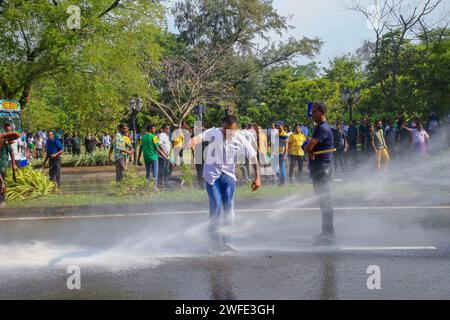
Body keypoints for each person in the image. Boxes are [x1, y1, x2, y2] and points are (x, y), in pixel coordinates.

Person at [191, 115, 261, 253]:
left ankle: (228, 241)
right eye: (227, 130)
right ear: (222, 125)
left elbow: (253, 156)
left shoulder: (240, 138)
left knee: (229, 209)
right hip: (212, 177)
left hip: (228, 176)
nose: (229, 133)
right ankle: (214, 242)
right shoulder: (213, 132)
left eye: (233, 130)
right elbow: (196, 139)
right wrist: (192, 144)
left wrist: (258, 177)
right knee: (216, 205)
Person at [303, 102, 335, 246]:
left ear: (321, 112)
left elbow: (309, 145)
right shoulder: (320, 127)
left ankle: (329, 234)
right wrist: (308, 147)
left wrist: (307, 147)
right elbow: (309, 146)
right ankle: (326, 232)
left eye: (315, 112)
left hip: (323, 169)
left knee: (326, 201)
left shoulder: (323, 128)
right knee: (323, 202)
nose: (312, 115)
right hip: (320, 168)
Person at [0, 131, 21, 208]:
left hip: (3, 162)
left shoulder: (4, 141)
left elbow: (12, 153)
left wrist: (14, 164)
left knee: (1, 181)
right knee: (1, 182)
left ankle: (2, 200)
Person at [275, 121, 289, 186]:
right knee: (275, 169)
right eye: (277, 126)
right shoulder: (276, 134)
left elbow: (286, 146)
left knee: (282, 168)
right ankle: (282, 180)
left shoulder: (285, 135)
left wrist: (284, 155)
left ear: (282, 126)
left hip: (282, 153)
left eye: (279, 126)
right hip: (276, 153)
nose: (278, 127)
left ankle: (282, 181)